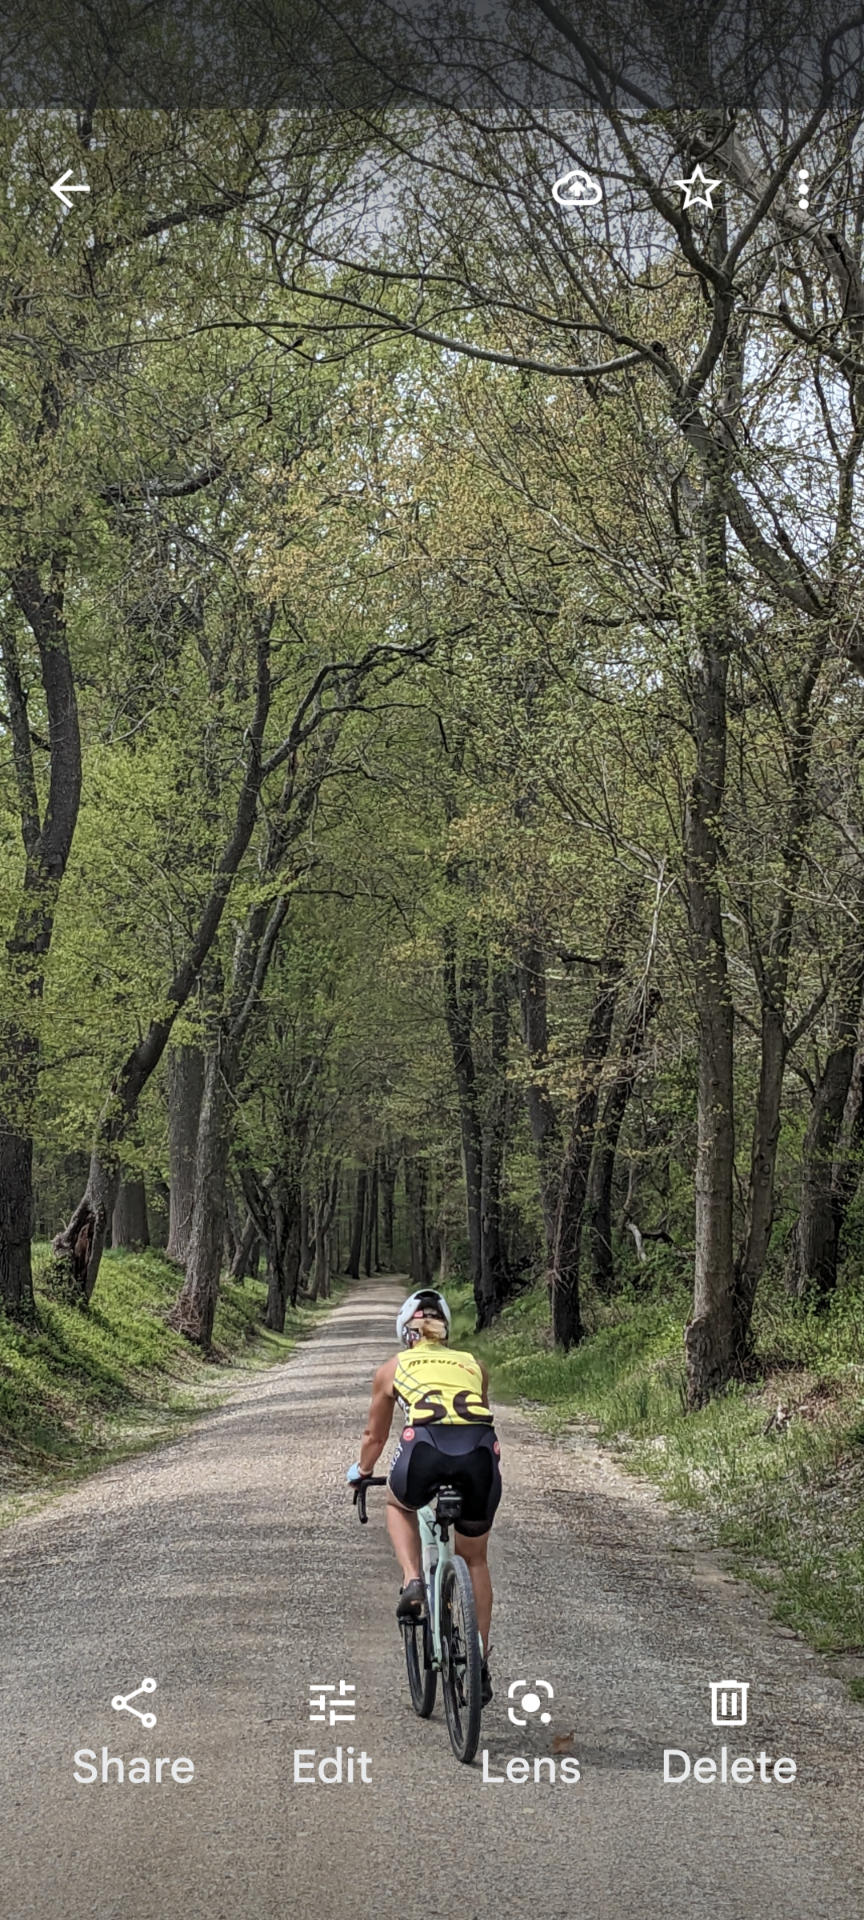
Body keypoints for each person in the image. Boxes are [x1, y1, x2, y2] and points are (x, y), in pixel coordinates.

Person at [347, 1287, 502, 1705]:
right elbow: (472, 1414)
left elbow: (374, 1436)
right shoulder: (474, 1365)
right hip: (479, 1454)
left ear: (407, 1333)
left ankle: (413, 1578)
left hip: (425, 1449)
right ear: (444, 1332)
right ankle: (478, 1662)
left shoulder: (392, 1368)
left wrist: (362, 1473)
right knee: (475, 1558)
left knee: (398, 1503)